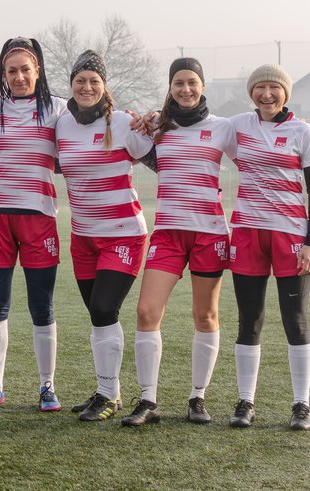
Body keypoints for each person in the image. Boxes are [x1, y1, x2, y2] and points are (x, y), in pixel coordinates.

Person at [121, 58, 237, 426]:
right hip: (168, 233)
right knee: (146, 311)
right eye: (178, 83)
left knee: (205, 315)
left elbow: (254, 161)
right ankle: (148, 400)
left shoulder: (224, 128)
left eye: (191, 82)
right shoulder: (157, 127)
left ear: (202, 86)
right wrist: (141, 118)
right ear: (170, 88)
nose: (185, 89)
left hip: (209, 232)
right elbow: (126, 147)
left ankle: (198, 398)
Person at [0, 37, 67, 411]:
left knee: (42, 306)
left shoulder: (59, 109)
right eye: (12, 71)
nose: (19, 76)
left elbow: (93, 120)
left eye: (26, 69)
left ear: (37, 70)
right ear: (3, 75)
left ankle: (47, 386)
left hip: (39, 217)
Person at [55, 50, 153, 422]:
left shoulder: (125, 122)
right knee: (98, 317)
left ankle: (109, 396)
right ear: (72, 85)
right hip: (83, 237)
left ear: (104, 85)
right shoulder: (61, 124)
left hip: (123, 234)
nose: (87, 86)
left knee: (103, 308)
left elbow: (160, 156)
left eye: (94, 80)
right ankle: (106, 391)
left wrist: (158, 120)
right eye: (80, 80)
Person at [227, 64, 310, 431]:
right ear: (251, 91)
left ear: (286, 92)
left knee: (295, 321)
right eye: (259, 87)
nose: (266, 94)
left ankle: (302, 405)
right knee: (249, 321)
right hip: (248, 233)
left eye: (274, 88)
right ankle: (245, 402)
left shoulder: (303, 131)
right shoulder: (237, 126)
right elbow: (196, 126)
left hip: (291, 237)